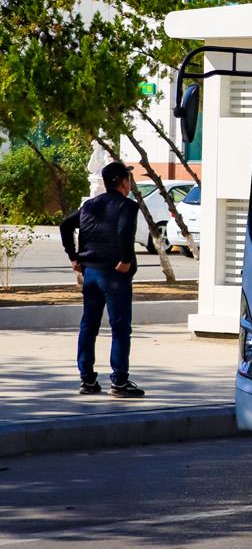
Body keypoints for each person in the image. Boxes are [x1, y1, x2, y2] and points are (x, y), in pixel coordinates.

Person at [59, 161, 146, 398]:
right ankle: (119, 382)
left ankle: (87, 380)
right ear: (123, 182)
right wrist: (125, 259)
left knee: (89, 326)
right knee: (120, 328)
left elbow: (65, 225)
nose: (130, 183)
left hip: (91, 273)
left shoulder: (90, 205)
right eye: (129, 178)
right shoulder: (127, 206)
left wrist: (73, 257)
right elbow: (124, 231)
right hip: (115, 274)